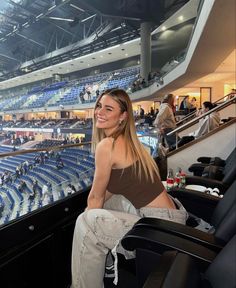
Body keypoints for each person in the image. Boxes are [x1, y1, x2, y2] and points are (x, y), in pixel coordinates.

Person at [71, 88, 188, 288]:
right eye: (99, 106)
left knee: (87, 221)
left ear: (123, 116)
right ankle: (105, 262)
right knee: (102, 207)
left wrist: (88, 217)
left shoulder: (107, 145)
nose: (99, 112)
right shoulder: (131, 142)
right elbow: (107, 193)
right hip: (173, 217)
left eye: (108, 109)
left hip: (159, 227)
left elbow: (95, 198)